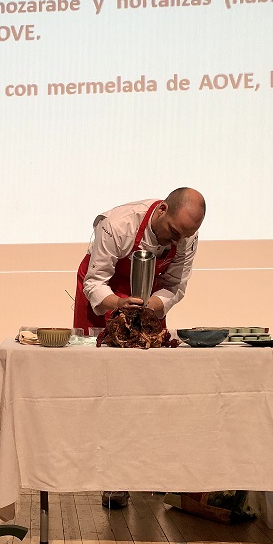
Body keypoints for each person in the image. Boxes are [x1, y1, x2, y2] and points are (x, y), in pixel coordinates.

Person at [73, 187, 206, 509]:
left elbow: (174, 286)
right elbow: (95, 280)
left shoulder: (185, 236)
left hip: (148, 303)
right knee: (108, 390)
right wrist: (117, 304)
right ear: (161, 210)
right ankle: (112, 479)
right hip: (105, 299)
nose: (175, 241)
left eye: (183, 236)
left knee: (148, 389)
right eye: (173, 232)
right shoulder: (117, 225)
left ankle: (147, 471)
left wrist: (154, 305)